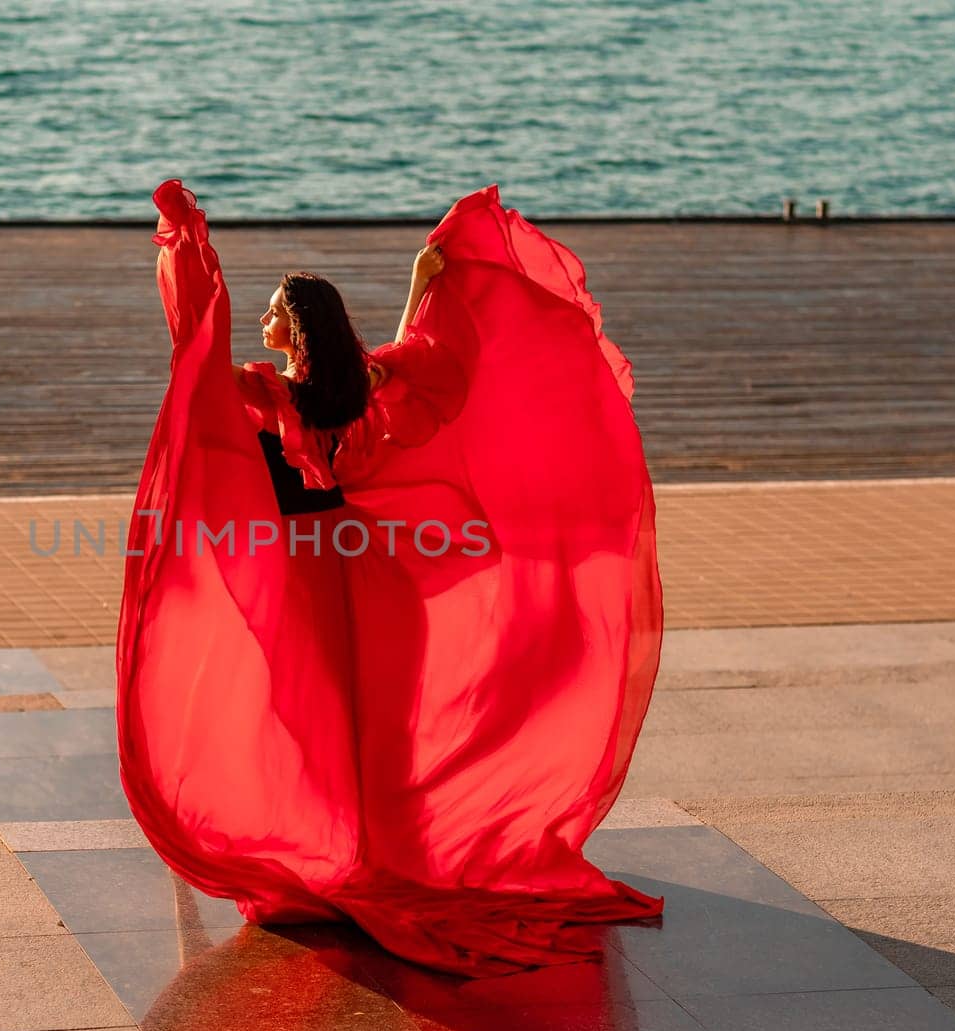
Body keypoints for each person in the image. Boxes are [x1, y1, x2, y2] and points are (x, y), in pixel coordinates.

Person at [116, 179, 664, 977]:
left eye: (274, 310)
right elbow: (426, 354)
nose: (265, 321)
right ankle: (384, 858)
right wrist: (423, 279)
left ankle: (346, 860)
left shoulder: (267, 394)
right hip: (371, 576)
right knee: (381, 732)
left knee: (318, 725)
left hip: (306, 579)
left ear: (295, 328)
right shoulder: (363, 385)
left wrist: (194, 265)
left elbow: (194, 362)